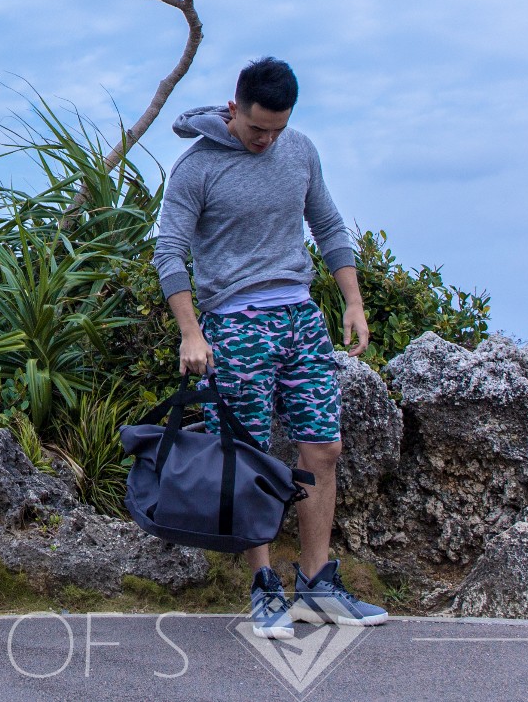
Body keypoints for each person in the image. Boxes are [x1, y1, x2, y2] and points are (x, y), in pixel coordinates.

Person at [152, 56, 390, 639]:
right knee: (247, 457)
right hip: (233, 326)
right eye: (258, 129)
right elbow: (169, 253)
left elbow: (329, 226)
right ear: (233, 109)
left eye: (277, 130)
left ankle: (316, 584)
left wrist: (352, 301)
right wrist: (191, 331)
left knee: (323, 449)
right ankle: (263, 589)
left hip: (300, 320)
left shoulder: (300, 150)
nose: (267, 141)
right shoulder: (196, 170)